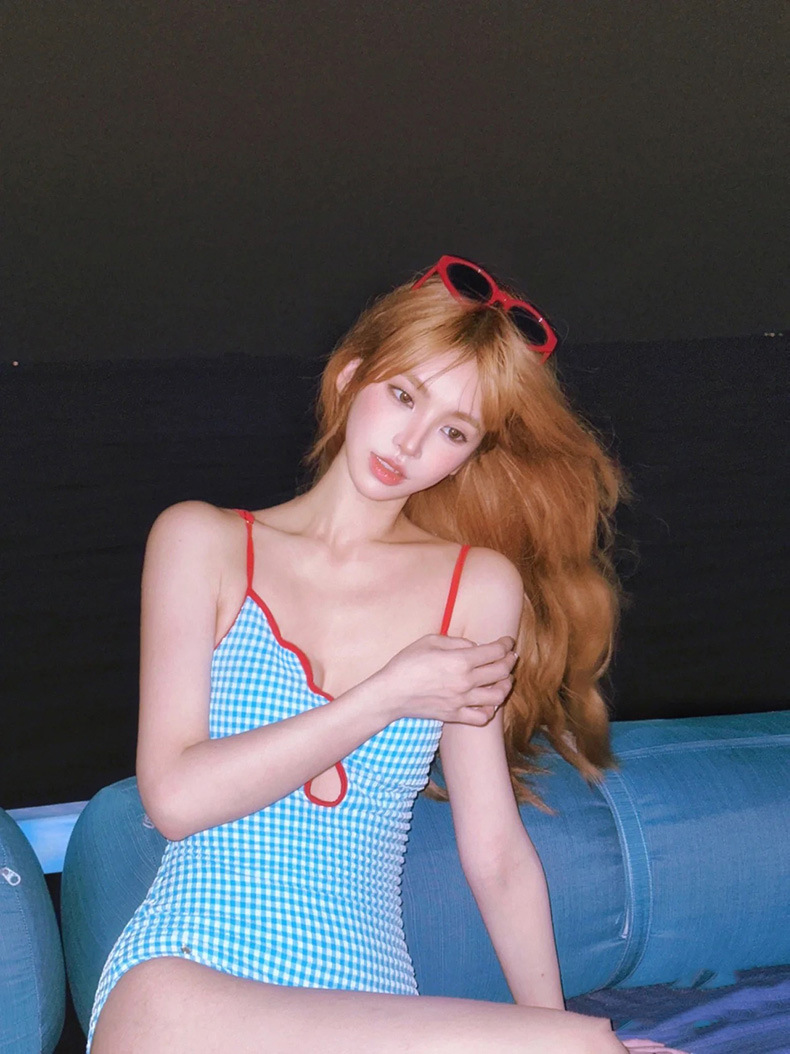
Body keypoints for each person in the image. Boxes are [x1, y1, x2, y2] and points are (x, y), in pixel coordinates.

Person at [88, 255, 689, 1053]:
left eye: (453, 431)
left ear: (468, 455)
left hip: (370, 1002)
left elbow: (494, 851)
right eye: (404, 395)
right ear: (351, 377)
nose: (411, 442)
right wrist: (386, 695)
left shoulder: (475, 589)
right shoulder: (202, 542)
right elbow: (175, 797)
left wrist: (552, 1034)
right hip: (188, 991)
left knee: (586, 1045)